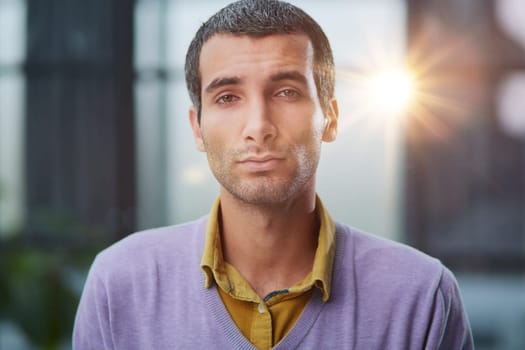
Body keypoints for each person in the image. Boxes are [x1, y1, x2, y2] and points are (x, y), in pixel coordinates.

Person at [73, 0, 474, 349]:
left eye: (286, 92)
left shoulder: (421, 296)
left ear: (330, 119)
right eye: (227, 97)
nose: (258, 125)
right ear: (197, 128)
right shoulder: (119, 284)